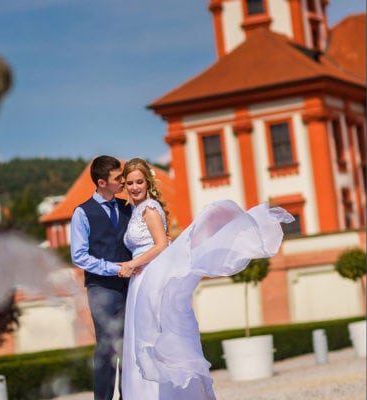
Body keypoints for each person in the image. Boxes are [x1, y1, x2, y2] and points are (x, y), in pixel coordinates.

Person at [116, 157, 294, 400]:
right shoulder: (138, 210)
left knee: (150, 337)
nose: (135, 187)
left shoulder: (149, 208)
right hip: (141, 279)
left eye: (139, 182)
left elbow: (160, 246)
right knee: (144, 337)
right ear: (124, 185)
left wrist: (132, 264)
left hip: (148, 276)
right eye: (130, 183)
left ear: (147, 182)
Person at [70, 155, 133, 400]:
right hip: (102, 289)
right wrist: (113, 268)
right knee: (107, 348)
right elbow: (79, 256)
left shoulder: (128, 208)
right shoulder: (82, 213)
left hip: (131, 285)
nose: (123, 181)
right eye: (118, 178)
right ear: (102, 182)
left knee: (129, 346)